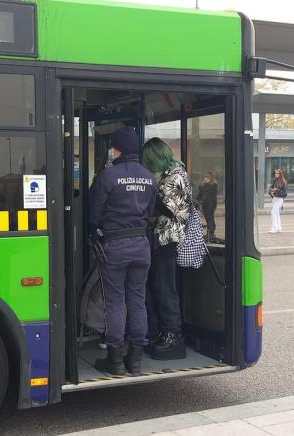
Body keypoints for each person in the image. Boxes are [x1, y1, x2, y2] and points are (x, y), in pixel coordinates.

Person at [89, 127, 155, 376]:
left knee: (115, 303)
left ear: (117, 150)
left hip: (114, 247)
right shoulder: (149, 177)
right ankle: (135, 360)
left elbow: (94, 214)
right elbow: (149, 214)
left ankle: (115, 361)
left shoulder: (108, 176)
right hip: (141, 246)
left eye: (112, 147)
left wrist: (94, 231)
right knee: (137, 302)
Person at [141, 137, 191, 360]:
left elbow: (172, 209)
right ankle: (165, 330)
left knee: (165, 288)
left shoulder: (175, 176)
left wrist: (151, 194)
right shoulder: (172, 174)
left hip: (168, 239)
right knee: (159, 286)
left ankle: (173, 333)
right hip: (162, 238)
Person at [197, 172, 218, 242]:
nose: (205, 179)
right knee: (208, 219)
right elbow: (200, 196)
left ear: (210, 178)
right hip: (205, 205)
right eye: (205, 177)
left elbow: (214, 197)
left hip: (210, 205)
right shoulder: (202, 186)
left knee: (210, 220)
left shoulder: (213, 186)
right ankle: (210, 234)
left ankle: (211, 234)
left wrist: (214, 205)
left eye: (207, 177)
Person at [268, 169, 287, 233]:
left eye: (277, 173)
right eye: (275, 173)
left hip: (279, 199)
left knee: (273, 212)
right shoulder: (275, 181)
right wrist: (271, 191)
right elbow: (271, 189)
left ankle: (275, 228)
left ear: (280, 174)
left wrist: (275, 191)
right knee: (276, 213)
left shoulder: (283, 182)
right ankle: (279, 227)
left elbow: (284, 193)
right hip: (275, 198)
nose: (276, 174)